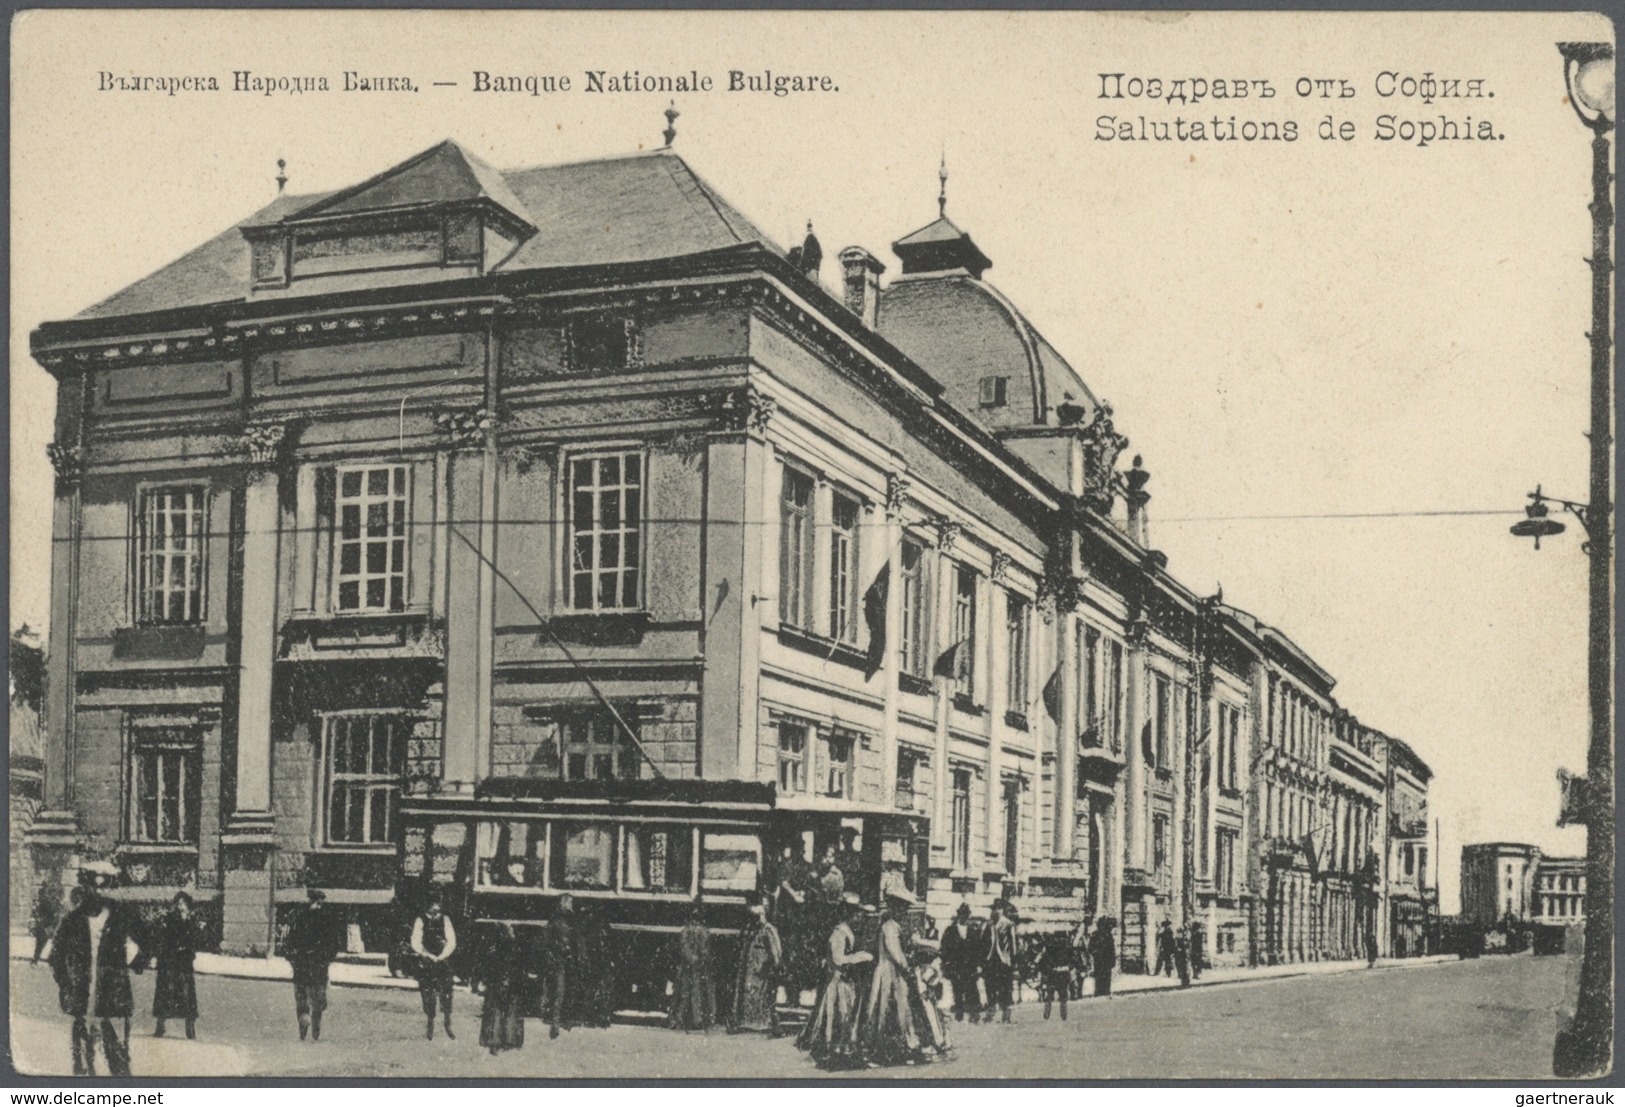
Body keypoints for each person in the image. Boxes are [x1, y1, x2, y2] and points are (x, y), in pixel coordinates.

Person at [49, 861, 148, 1077]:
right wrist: (67, 985)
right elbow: (55, 957)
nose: (99, 892)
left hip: (113, 999)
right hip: (82, 999)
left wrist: (135, 954)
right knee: (83, 1065)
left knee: (119, 1061)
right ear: (86, 888)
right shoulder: (72, 921)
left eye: (105, 887)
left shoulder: (122, 916)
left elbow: (145, 945)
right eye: (94, 887)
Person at [797, 895, 872, 1068]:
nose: (860, 917)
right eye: (857, 914)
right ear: (850, 914)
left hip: (845, 982)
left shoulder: (848, 932)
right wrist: (859, 957)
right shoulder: (839, 933)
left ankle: (841, 1051)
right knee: (837, 1015)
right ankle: (832, 1052)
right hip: (837, 983)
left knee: (844, 1016)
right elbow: (838, 959)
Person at [856, 891, 926, 1066]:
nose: (904, 912)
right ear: (895, 908)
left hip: (891, 971)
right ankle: (886, 1049)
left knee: (895, 1009)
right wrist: (906, 967)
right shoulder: (890, 927)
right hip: (889, 972)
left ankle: (896, 1048)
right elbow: (895, 952)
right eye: (902, 908)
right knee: (889, 1008)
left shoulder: (892, 925)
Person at [283, 888, 344, 1042]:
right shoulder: (327, 919)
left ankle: (303, 1027)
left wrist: (292, 959)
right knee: (318, 1000)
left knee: (301, 997)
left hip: (301, 964)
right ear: (320, 901)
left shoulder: (298, 917)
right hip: (319, 965)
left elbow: (289, 942)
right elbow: (335, 943)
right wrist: (327, 960)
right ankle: (315, 1030)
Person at [151, 891, 202, 1039]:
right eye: (179, 904)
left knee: (186, 994)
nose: (181, 907)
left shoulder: (192, 920)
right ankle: (160, 1026)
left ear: (188, 905)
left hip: (184, 962)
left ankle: (190, 1027)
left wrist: (189, 950)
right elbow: (164, 938)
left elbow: (195, 940)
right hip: (169, 960)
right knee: (166, 992)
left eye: (184, 904)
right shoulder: (169, 919)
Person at [729, 900, 783, 1035]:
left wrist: (772, 965)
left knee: (762, 996)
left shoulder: (768, 930)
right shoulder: (751, 929)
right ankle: (749, 1022)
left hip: (761, 968)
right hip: (750, 969)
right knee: (751, 995)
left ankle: (768, 1024)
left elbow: (775, 951)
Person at [410, 892, 458, 1040]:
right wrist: (428, 956)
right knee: (428, 994)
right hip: (427, 961)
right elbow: (416, 941)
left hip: (442, 960)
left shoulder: (445, 919)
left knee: (447, 992)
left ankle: (447, 1023)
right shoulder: (420, 920)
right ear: (429, 905)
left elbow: (451, 940)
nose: (437, 907)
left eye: (439, 904)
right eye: (435, 904)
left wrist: (442, 956)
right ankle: (430, 1023)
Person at [477, 922, 528, 1056]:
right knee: (509, 1011)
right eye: (511, 930)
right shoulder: (514, 948)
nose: (513, 932)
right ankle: (509, 1040)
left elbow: (487, 969)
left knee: (495, 1012)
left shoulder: (492, 950)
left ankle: (493, 1040)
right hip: (510, 983)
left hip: (496, 984)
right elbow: (517, 968)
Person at [669, 899, 717, 1032]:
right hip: (698, 966)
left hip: (689, 966)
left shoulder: (687, 930)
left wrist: (692, 959)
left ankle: (680, 1019)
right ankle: (696, 1019)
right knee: (697, 992)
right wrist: (700, 959)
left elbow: (684, 948)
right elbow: (705, 950)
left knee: (684, 992)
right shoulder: (704, 931)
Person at [542, 894, 582, 1040]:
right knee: (560, 991)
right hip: (560, 961)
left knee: (564, 991)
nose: (571, 905)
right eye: (569, 903)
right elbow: (548, 943)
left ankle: (562, 1020)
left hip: (566, 961)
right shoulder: (558, 921)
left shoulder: (568, 920)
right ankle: (556, 1023)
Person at [940, 903, 982, 1023]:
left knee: (972, 990)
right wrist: (946, 965)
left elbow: (978, 949)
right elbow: (945, 949)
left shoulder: (972, 930)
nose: (964, 917)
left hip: (970, 966)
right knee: (957, 989)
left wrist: (978, 965)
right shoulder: (950, 930)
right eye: (962, 915)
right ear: (959, 915)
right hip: (956, 966)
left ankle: (974, 1014)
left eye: (966, 915)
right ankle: (959, 1014)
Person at [577, 902, 616, 1028]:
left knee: (594, 989)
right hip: (597, 961)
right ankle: (598, 1017)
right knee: (599, 989)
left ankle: (593, 1017)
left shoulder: (591, 927)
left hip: (596, 961)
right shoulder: (602, 927)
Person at [983, 899, 1017, 1024]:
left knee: (1006, 988)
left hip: (1004, 961)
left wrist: (1013, 961)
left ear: (1003, 910)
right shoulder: (989, 925)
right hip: (992, 961)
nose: (996, 911)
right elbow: (985, 943)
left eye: (999, 908)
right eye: (995, 908)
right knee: (990, 987)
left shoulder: (1008, 924)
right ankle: (990, 1014)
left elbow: (1013, 944)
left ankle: (1006, 1015)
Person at [1034, 930, 1076, 1020]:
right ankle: (1063, 1014)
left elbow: (1041, 961)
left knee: (1050, 994)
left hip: (1052, 974)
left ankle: (1047, 1013)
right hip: (1062, 974)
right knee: (1062, 995)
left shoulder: (1049, 948)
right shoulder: (1066, 947)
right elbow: (1072, 961)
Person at [31, 881, 62, 963]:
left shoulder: (47, 900)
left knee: (42, 943)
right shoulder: (47, 900)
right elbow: (52, 913)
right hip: (47, 924)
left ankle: (37, 958)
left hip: (47, 924)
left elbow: (52, 913)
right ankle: (38, 958)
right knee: (43, 942)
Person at [1088, 917, 1117, 999]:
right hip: (1101, 961)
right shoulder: (1096, 935)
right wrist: (1096, 954)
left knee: (1105, 978)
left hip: (1105, 961)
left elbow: (1112, 949)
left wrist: (1112, 960)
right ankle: (1100, 993)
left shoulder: (1106, 935)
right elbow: (1090, 948)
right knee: (1101, 978)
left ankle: (1104, 993)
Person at [1069, 917, 1094, 1001]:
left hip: (1081, 959)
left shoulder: (1084, 937)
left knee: (1081, 977)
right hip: (1072, 958)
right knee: (1072, 977)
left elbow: (1087, 950)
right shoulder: (1070, 936)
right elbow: (1073, 946)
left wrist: (1089, 963)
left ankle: (1078, 993)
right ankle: (1073, 994)